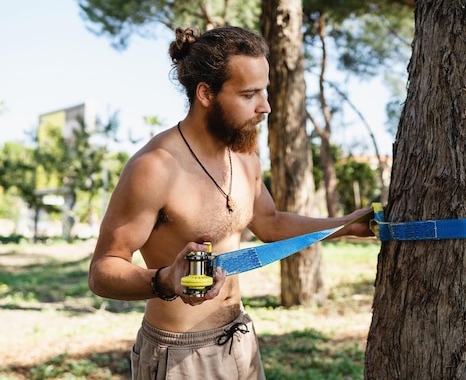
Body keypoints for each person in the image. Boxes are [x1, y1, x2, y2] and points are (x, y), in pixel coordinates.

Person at [88, 25, 374, 380]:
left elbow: (270, 223)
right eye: (249, 94)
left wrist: (346, 225)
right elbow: (103, 270)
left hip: (240, 339)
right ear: (206, 93)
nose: (265, 106)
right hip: (180, 355)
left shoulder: (244, 153)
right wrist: (165, 280)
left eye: (264, 90)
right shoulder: (155, 167)